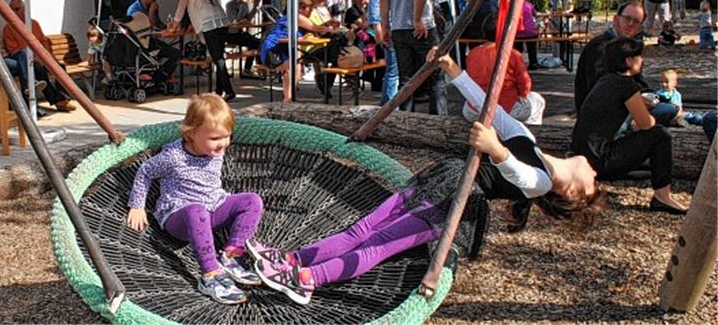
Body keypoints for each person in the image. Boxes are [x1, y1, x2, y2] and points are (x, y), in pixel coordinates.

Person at [249, 48, 605, 305]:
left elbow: (517, 173)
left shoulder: (540, 180)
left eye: (595, 184)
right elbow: (490, 107)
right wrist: (452, 70)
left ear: (573, 192)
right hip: (446, 178)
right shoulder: (528, 140)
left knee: (382, 242)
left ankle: (308, 280)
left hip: (460, 201)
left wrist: (495, 148)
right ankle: (296, 260)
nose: (596, 172)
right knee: (364, 227)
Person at [126, 94, 264, 304]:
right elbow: (145, 171)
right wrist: (137, 205)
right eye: (215, 138)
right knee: (196, 211)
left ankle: (232, 255)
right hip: (180, 216)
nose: (223, 144)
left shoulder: (215, 149)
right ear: (191, 134)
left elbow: (217, 186)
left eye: (227, 136)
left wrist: (217, 141)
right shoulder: (173, 156)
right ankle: (210, 275)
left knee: (252, 201)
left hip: (213, 205)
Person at [571, 38, 687, 214]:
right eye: (639, 56)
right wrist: (653, 113)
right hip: (601, 161)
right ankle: (663, 195)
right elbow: (646, 124)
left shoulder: (606, 80)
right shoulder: (626, 85)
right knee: (661, 134)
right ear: (628, 60)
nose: (642, 60)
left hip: (582, 157)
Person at [573, 0, 677, 125]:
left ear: (640, 28)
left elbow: (640, 82)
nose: (631, 24)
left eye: (636, 22)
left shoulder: (629, 47)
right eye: (627, 19)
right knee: (662, 121)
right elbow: (597, 87)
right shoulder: (599, 46)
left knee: (669, 108)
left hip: (626, 102)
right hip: (601, 111)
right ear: (616, 19)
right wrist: (634, 100)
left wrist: (651, 97)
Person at [171, 0, 236, 101]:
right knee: (219, 58)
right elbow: (196, 9)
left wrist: (173, 27)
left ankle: (229, 91)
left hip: (209, 26)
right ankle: (219, 91)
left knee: (218, 59)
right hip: (222, 23)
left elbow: (180, 11)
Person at [462, 25, 545, 125]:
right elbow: (525, 84)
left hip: (475, 111)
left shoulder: (472, 54)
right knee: (538, 100)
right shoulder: (512, 54)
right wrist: (522, 95)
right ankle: (527, 133)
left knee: (468, 104)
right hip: (506, 109)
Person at [3, 0, 75, 112]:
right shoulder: (8, 28)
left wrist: (45, 56)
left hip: (41, 56)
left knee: (59, 67)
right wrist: (34, 57)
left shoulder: (34, 23)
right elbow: (13, 51)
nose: (14, 13)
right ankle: (57, 100)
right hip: (28, 59)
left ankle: (63, 98)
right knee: (39, 70)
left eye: (17, 9)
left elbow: (43, 41)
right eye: (12, 10)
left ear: (24, 9)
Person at [259, 0, 334, 103]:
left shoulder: (297, 18)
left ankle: (290, 96)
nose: (311, 12)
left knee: (297, 67)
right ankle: (287, 99)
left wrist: (327, 25)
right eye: (310, 9)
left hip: (285, 48)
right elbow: (315, 28)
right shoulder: (296, 17)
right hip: (273, 49)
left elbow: (314, 28)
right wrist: (333, 31)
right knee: (291, 68)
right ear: (302, 8)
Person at [127, 0, 181, 83]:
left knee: (171, 50)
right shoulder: (135, 11)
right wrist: (152, 11)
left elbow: (157, 23)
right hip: (142, 45)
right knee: (176, 53)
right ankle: (161, 77)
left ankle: (160, 75)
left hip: (150, 41)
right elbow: (149, 27)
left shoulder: (148, 7)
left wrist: (168, 28)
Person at [367, 0, 398, 105]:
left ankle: (390, 105)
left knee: (396, 69)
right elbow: (374, 4)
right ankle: (389, 107)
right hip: (390, 26)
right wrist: (377, 26)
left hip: (402, 25)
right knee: (393, 69)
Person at [225, 0, 261, 76]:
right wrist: (241, 10)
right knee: (255, 43)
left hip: (241, 33)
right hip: (232, 34)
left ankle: (250, 68)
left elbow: (248, 18)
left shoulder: (244, 4)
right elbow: (234, 21)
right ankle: (251, 68)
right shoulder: (230, 5)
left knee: (257, 42)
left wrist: (255, 6)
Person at [515, 0, 539, 69]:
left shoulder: (513, 5)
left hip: (518, 32)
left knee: (517, 49)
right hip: (531, 32)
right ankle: (533, 63)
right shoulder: (529, 5)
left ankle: (517, 65)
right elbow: (535, 14)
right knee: (532, 48)